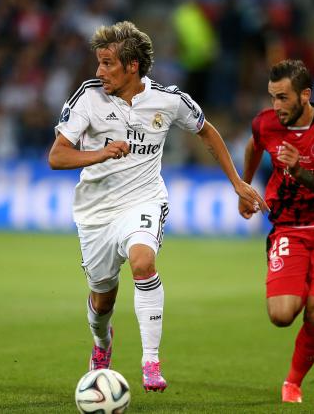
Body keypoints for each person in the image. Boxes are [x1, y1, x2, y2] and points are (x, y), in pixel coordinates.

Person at [49, 21, 267, 392]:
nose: (99, 71)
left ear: (132, 65)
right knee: (102, 300)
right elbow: (57, 156)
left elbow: (206, 130)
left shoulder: (168, 100)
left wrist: (237, 183)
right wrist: (101, 152)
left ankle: (151, 360)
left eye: (107, 63)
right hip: (96, 212)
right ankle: (102, 343)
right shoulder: (88, 97)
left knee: (143, 262)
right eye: (99, 63)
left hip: (144, 199)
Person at [241, 59, 314, 403]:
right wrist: (244, 186)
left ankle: (292, 383)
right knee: (281, 316)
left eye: (283, 98)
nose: (276, 106)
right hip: (291, 225)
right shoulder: (264, 124)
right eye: (272, 97)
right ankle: (305, 275)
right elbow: (254, 145)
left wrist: (298, 168)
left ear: (305, 95)